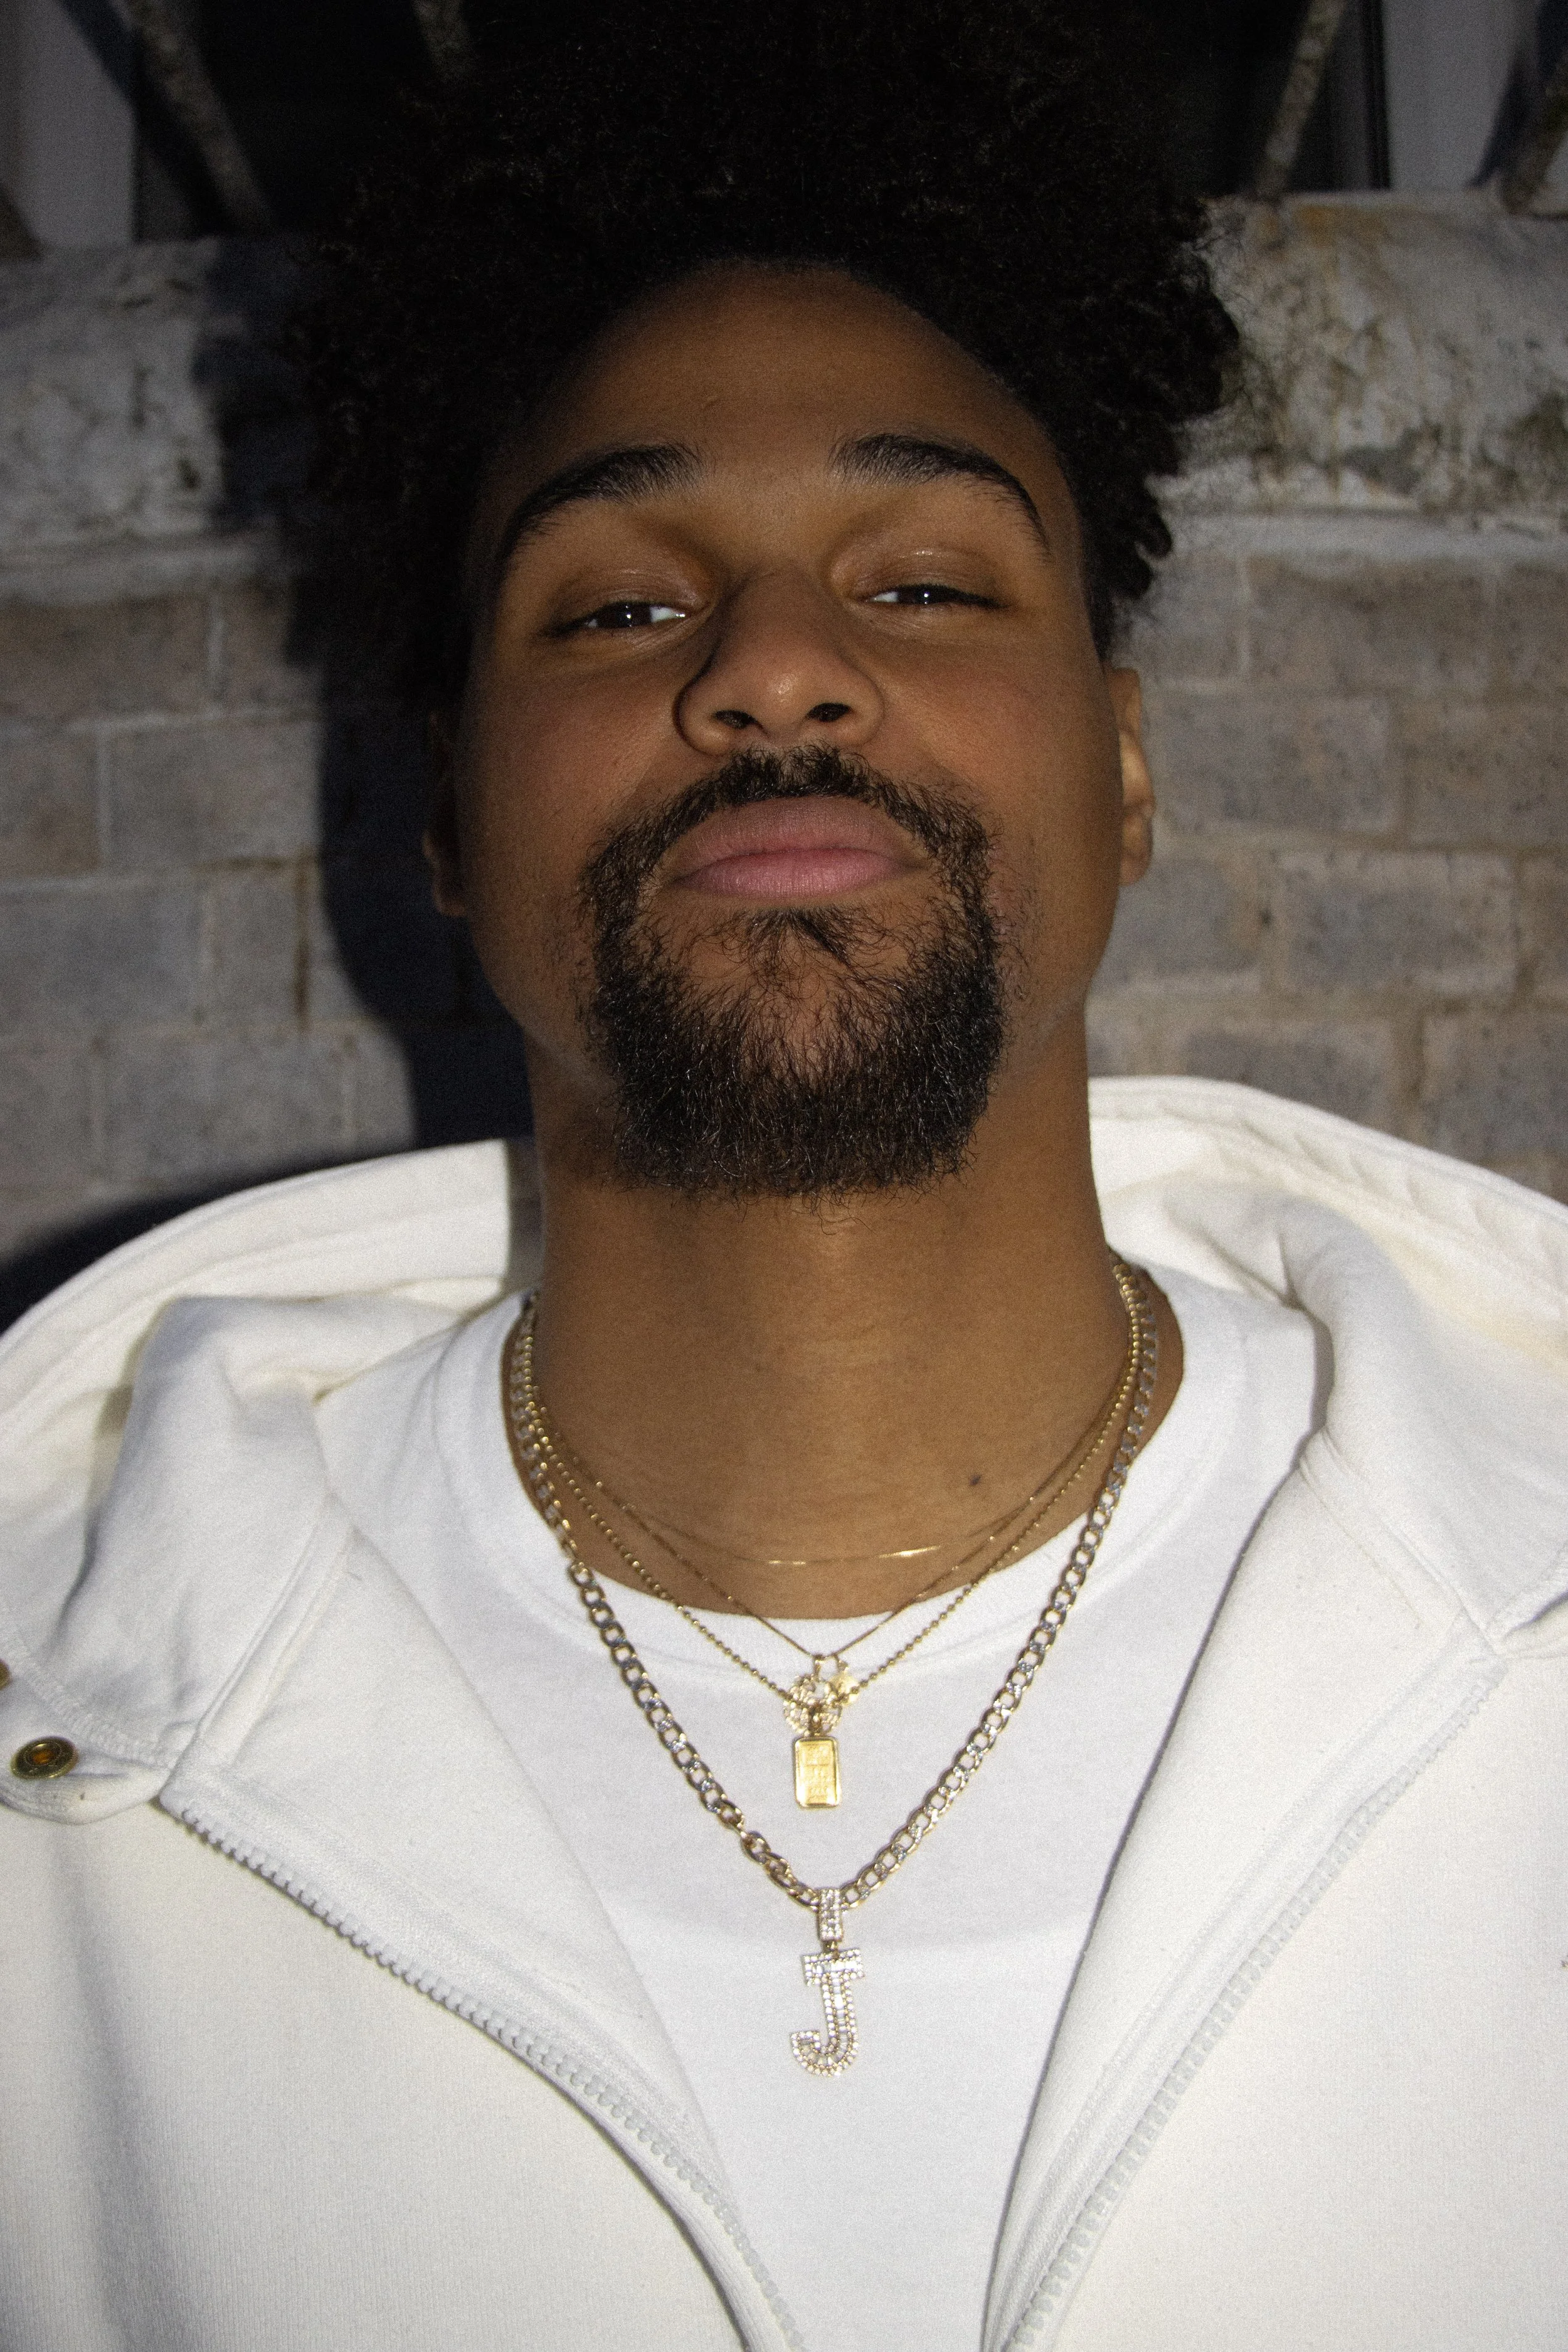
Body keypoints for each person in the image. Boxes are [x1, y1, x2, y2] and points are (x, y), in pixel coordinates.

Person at [2, 8, 1565, 2349]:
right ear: (443, 819)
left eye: (922, 581)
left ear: (1123, 772)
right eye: (623, 602)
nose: (774, 669)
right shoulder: (56, 1718)